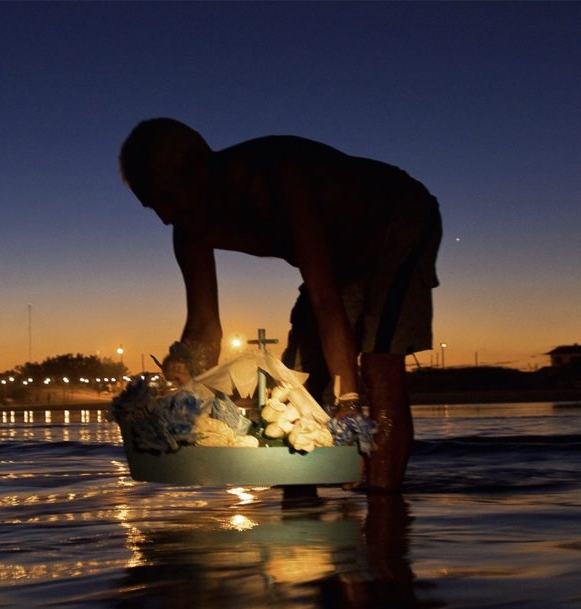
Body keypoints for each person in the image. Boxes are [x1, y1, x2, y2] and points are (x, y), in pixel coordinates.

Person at [119, 118, 442, 492]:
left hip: (395, 220)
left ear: (200, 168)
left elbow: (325, 301)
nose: (165, 216)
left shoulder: (277, 177)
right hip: (337, 260)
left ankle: (386, 521)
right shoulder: (187, 227)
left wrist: (349, 403)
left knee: (377, 363)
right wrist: (180, 382)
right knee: (293, 387)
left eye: (169, 196)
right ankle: (301, 509)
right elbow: (203, 328)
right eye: (151, 205)